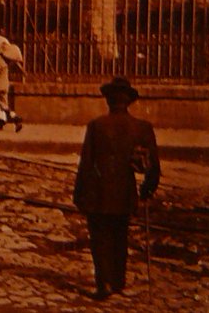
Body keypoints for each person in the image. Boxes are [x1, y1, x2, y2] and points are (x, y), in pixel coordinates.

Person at [73, 76, 161, 300]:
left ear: (108, 101)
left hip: (98, 191)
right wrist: (147, 190)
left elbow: (86, 164)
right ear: (129, 101)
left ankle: (103, 283)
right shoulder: (142, 127)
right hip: (125, 192)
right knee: (120, 236)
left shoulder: (96, 126)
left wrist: (79, 195)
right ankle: (118, 282)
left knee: (99, 237)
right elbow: (153, 167)